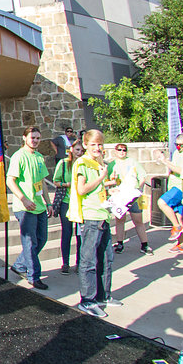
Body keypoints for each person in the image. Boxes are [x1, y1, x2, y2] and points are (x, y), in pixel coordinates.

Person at [70, 129, 118, 317]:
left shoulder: (98, 163)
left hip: (102, 214)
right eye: (93, 145)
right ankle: (87, 300)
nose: (97, 148)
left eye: (99, 144)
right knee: (88, 260)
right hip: (90, 217)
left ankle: (103, 295)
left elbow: (98, 189)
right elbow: (82, 189)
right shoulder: (82, 163)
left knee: (106, 258)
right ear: (86, 145)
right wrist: (100, 177)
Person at [7, 126, 51, 290]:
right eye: (32, 137)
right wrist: (23, 199)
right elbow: (10, 180)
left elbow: (43, 183)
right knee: (30, 242)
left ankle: (19, 265)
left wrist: (49, 203)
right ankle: (34, 276)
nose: (35, 140)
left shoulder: (39, 157)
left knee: (42, 239)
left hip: (39, 206)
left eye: (38, 138)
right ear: (24, 138)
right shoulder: (18, 156)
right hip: (25, 207)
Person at [108, 143, 152, 254]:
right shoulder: (111, 164)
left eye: (124, 150)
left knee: (138, 220)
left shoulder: (132, 162)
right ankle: (120, 243)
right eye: (119, 150)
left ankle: (144, 244)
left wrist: (138, 188)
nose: (122, 152)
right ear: (115, 151)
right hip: (120, 195)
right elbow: (109, 179)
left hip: (133, 195)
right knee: (120, 219)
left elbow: (142, 176)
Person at [51, 141, 84, 274]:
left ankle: (80, 262)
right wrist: (67, 184)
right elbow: (55, 181)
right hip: (66, 201)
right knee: (67, 232)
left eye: (81, 151)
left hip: (80, 202)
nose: (79, 153)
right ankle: (65, 263)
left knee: (80, 234)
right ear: (71, 149)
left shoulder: (84, 164)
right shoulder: (64, 163)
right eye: (77, 150)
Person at [157, 134, 183, 250]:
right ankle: (181, 244)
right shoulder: (176, 153)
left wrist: (164, 161)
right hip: (174, 185)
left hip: (180, 187)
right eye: (177, 145)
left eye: (181, 145)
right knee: (178, 215)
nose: (179, 147)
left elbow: (181, 170)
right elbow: (173, 168)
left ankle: (176, 227)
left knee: (162, 202)